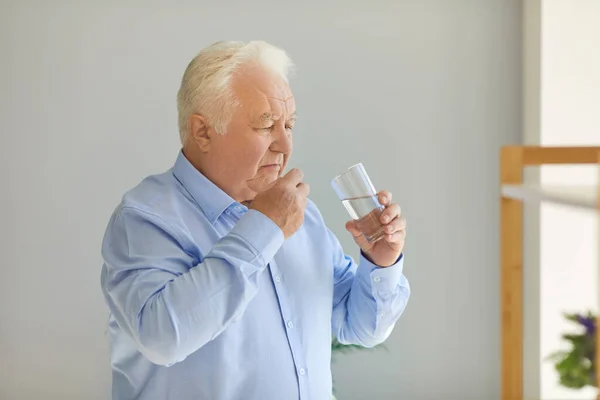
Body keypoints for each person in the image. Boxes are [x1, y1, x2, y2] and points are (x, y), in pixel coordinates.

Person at [100, 40, 410, 400]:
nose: (284, 145)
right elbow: (163, 337)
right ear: (203, 131)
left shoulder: (300, 214)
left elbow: (359, 325)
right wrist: (263, 230)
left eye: (289, 125)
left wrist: (381, 261)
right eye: (265, 126)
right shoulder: (144, 218)